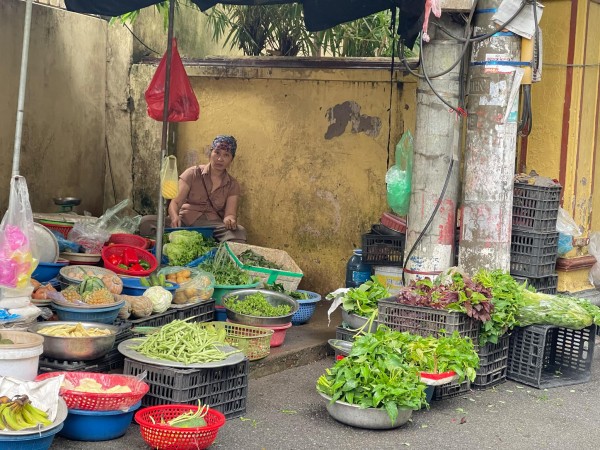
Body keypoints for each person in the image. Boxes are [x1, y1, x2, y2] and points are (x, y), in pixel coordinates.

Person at [139, 135, 247, 243]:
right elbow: (175, 203)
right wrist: (174, 217)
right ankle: (187, 241)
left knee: (239, 232)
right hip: (184, 222)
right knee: (146, 222)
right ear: (211, 153)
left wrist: (230, 220)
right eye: (217, 152)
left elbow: (230, 214)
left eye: (226, 155)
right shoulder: (193, 173)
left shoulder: (232, 184)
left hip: (211, 227)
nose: (220, 159)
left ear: (231, 159)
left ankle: (198, 243)